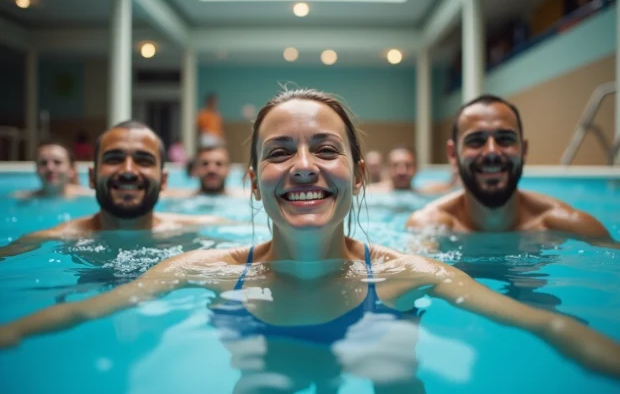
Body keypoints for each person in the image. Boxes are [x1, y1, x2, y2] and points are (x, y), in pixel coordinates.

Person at [1, 90, 619, 387]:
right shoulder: (207, 268)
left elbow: (549, 327)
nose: (303, 166)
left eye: (326, 149)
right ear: (251, 183)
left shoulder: (407, 273)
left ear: (358, 174)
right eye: (279, 152)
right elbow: (80, 311)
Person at [1, 120, 227, 260]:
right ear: (91, 177)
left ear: (164, 180)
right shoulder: (50, 239)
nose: (128, 171)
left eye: (143, 160)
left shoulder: (196, 230)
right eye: (114, 159)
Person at [406, 94, 611, 238]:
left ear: (524, 149)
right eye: (476, 141)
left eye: (505, 139)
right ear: (452, 154)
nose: (492, 152)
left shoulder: (568, 224)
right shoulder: (429, 226)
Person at [11, 140, 92, 199]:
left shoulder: (89, 198)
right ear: (36, 168)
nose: (50, 168)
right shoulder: (20, 198)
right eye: (43, 163)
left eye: (57, 162)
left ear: (71, 170)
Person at [162, 143, 245, 198]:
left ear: (229, 169)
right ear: (195, 169)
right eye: (205, 164)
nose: (212, 169)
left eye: (219, 164)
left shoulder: (243, 198)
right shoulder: (178, 198)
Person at [368, 146, 450, 194]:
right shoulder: (372, 193)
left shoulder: (425, 192)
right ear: (388, 168)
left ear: (416, 169)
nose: (402, 171)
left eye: (407, 165)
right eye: (395, 165)